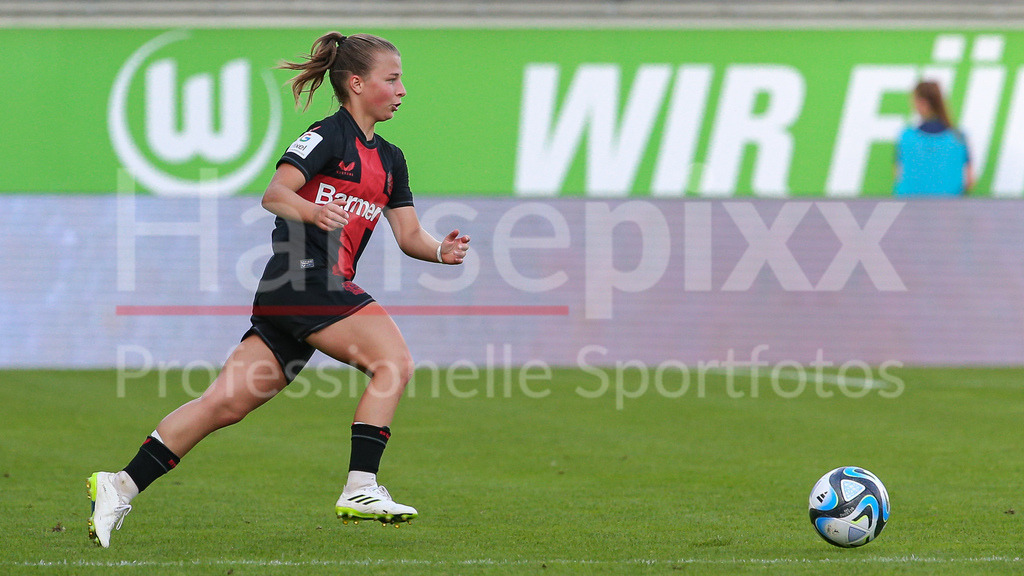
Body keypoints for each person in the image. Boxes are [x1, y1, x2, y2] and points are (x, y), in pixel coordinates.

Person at [87, 31, 471, 548]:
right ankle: (361, 485)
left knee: (223, 404)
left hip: (300, 294)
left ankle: (119, 484)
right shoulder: (326, 136)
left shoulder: (393, 160)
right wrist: (313, 210)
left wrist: (438, 251)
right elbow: (274, 193)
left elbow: (408, 236)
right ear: (357, 83)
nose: (402, 89)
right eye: (392, 78)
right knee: (394, 363)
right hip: (305, 279)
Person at [894, 80, 974, 196]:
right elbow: (969, 180)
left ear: (921, 103)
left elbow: (898, 175)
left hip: (910, 209)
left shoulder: (906, 137)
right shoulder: (958, 137)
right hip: (949, 210)